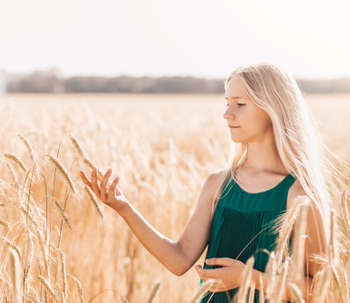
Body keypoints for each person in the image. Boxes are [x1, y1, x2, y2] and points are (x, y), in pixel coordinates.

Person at [80, 63, 334, 303]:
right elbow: (179, 260)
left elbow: (319, 288)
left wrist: (250, 278)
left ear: (272, 109)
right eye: (227, 103)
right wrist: (123, 208)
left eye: (240, 104)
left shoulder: (297, 194)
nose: (227, 114)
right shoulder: (218, 185)